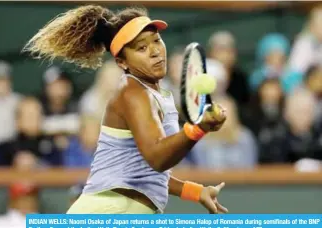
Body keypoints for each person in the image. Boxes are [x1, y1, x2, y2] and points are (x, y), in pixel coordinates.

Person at [23, 5, 227, 214]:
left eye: (156, 40)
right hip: (109, 213)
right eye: (141, 48)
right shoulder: (132, 92)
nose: (155, 51)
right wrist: (198, 128)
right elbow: (158, 158)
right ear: (122, 62)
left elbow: (144, 174)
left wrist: (195, 192)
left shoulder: (158, 95)